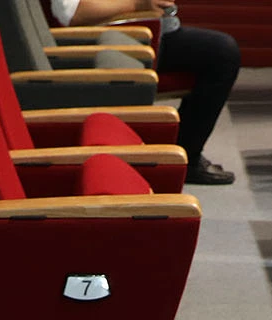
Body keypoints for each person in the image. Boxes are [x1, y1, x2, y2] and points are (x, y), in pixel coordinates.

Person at [49, 1, 242, 184]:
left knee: (220, 52)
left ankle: (182, 156)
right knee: (222, 54)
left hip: (148, 29)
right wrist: (138, 4)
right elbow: (71, 13)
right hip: (108, 40)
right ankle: (183, 159)